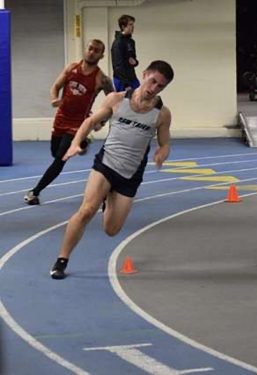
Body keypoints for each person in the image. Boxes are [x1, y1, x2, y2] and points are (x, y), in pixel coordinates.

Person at [49, 60, 174, 280]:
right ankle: (62, 259)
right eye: (152, 81)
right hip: (106, 164)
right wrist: (75, 143)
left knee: (111, 230)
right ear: (144, 75)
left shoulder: (162, 114)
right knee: (87, 210)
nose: (153, 88)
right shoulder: (116, 100)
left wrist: (162, 153)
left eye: (160, 86)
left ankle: (108, 199)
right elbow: (89, 123)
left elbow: (164, 143)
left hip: (131, 174)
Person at [24, 39, 114, 205]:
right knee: (54, 152)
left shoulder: (102, 79)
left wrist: (102, 120)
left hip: (79, 123)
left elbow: (113, 101)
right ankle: (84, 142)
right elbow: (55, 87)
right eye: (90, 48)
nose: (92, 52)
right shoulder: (71, 68)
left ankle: (34, 192)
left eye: (96, 50)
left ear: (101, 55)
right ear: (85, 49)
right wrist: (53, 99)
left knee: (60, 159)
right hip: (61, 118)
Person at [111, 14, 140, 91]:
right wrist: (126, 84)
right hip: (121, 79)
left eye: (133, 25)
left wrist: (135, 62)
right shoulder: (118, 43)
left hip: (132, 76)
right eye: (130, 24)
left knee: (139, 98)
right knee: (126, 102)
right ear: (123, 27)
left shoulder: (131, 42)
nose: (132, 27)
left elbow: (133, 58)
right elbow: (117, 65)